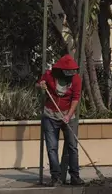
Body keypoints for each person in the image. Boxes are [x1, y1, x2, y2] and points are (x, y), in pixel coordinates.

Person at [36, 54, 85, 186]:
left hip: (68, 116)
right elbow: (39, 83)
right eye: (67, 71)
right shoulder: (49, 75)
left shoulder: (76, 79)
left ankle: (75, 176)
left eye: (72, 71)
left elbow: (76, 98)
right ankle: (56, 178)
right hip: (50, 115)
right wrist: (41, 85)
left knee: (73, 147)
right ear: (60, 70)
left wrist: (68, 115)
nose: (70, 73)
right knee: (52, 148)